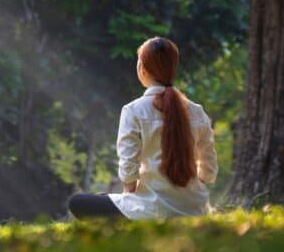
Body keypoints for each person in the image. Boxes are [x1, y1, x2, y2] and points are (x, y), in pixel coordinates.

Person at [67, 36, 218, 219]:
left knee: (78, 202)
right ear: (173, 68)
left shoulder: (133, 110)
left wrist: (129, 196)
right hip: (195, 209)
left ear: (142, 69)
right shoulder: (197, 111)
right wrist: (186, 194)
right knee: (103, 198)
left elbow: (129, 169)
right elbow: (209, 171)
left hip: (149, 210)